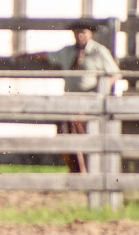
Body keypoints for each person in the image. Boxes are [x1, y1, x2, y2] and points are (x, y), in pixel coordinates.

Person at [18, 20, 120, 172]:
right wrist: (27, 55)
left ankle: (85, 169)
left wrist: (101, 92)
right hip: (70, 101)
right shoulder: (68, 52)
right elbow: (48, 56)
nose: (80, 36)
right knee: (64, 130)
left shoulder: (98, 51)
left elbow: (114, 74)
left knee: (80, 130)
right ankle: (75, 168)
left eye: (83, 32)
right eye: (77, 32)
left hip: (90, 102)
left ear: (90, 34)